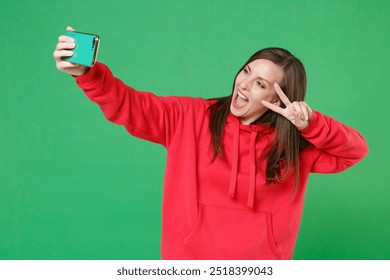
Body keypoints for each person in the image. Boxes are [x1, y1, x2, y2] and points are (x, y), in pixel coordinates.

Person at [53, 27, 368, 260]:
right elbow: (129, 105)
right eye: (246, 71)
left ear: (278, 98)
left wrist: (310, 123)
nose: (243, 85)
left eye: (259, 84)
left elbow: (355, 151)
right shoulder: (189, 117)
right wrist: (88, 74)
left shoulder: (295, 145)